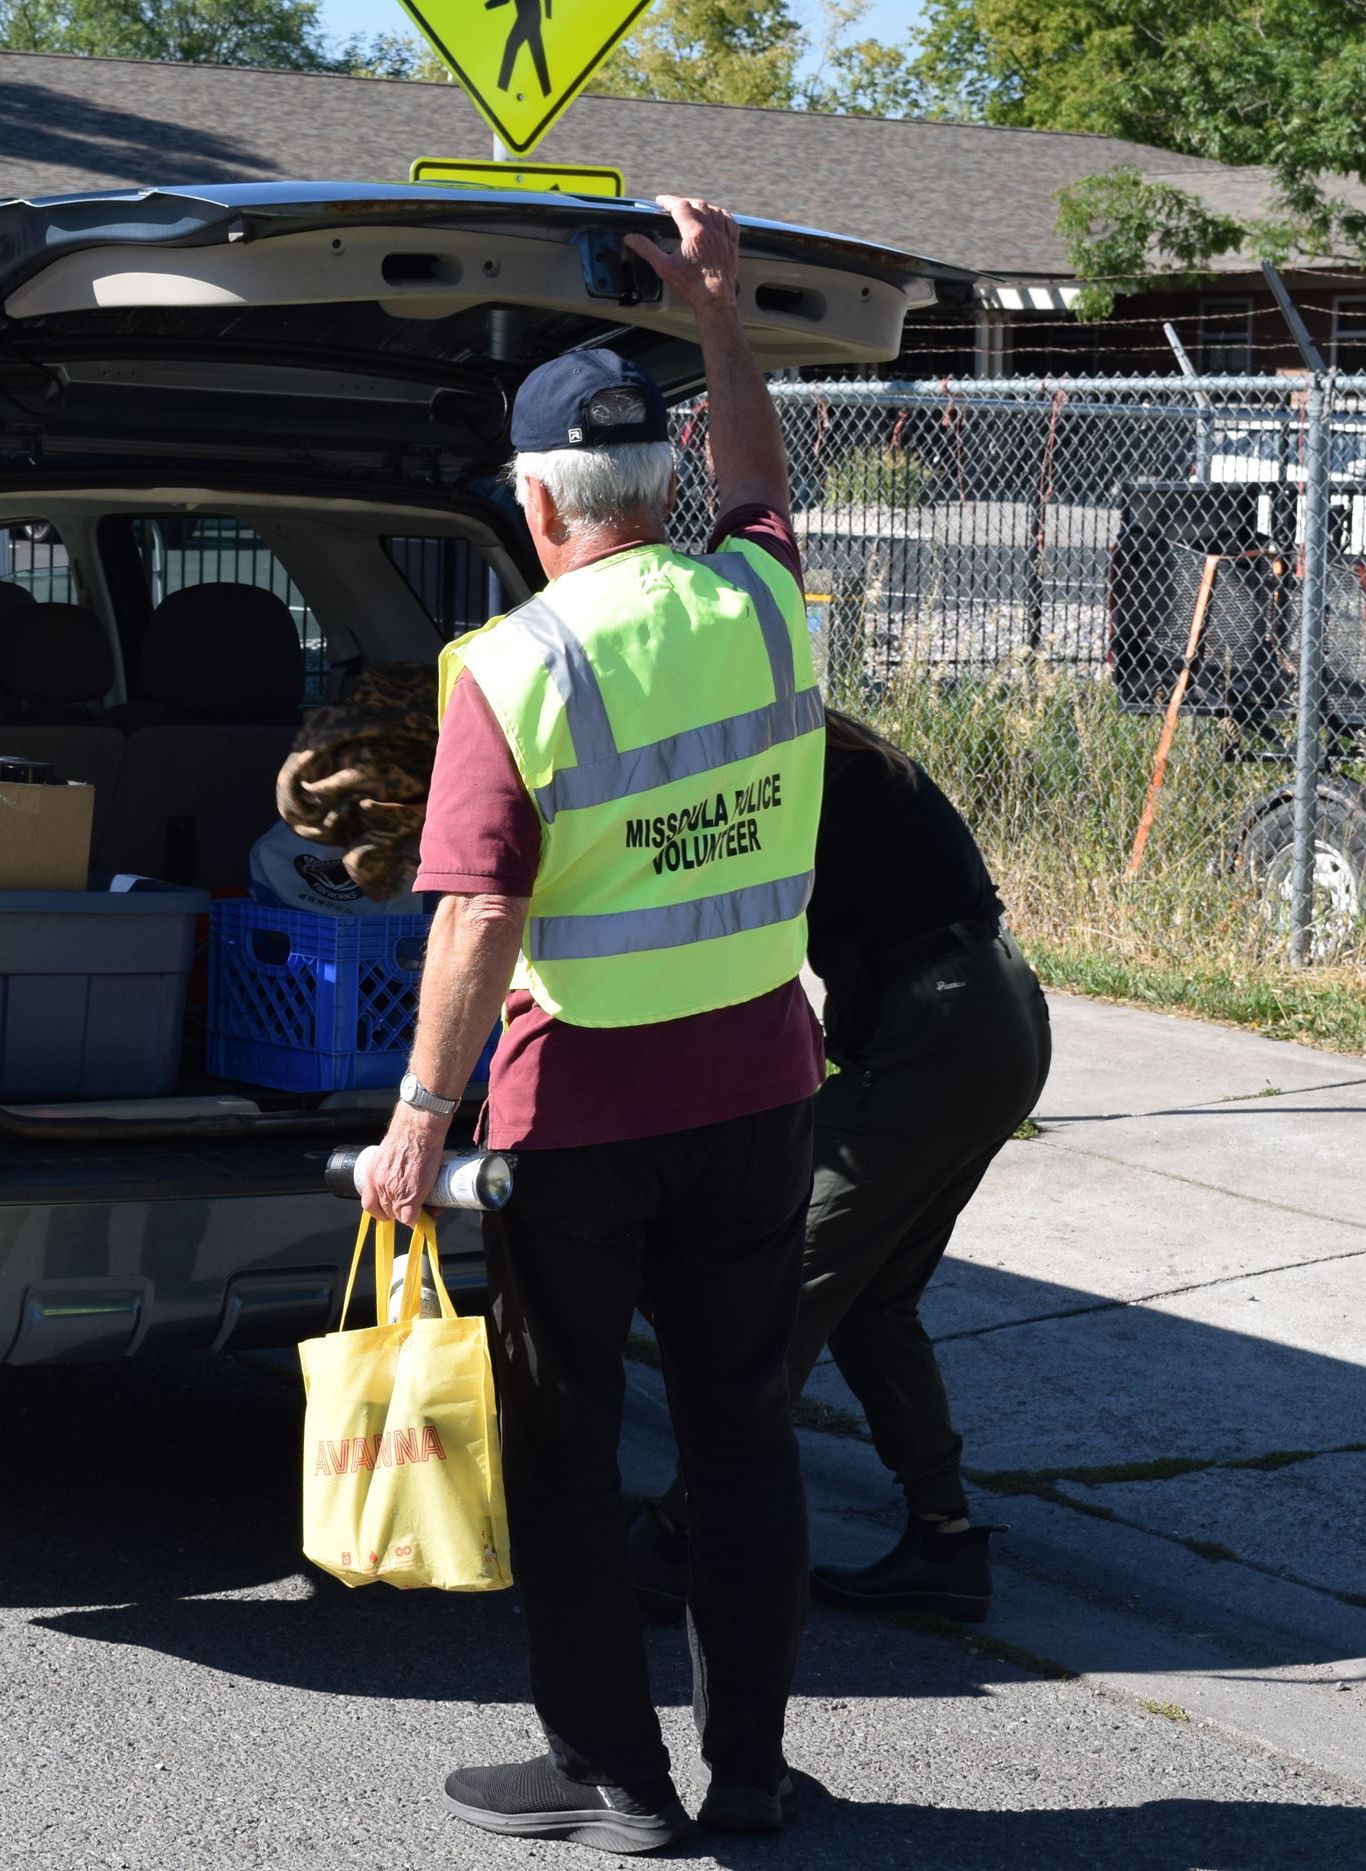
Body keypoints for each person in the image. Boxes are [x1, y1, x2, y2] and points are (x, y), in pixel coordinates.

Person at [360, 196, 827, 1854]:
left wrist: (421, 1111)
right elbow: (762, 476)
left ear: (538, 501)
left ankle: (616, 1779)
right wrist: (718, 311)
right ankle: (755, 1775)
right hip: (764, 1090)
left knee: (564, 1446)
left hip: (585, 1125)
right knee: (742, 1431)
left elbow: (479, 912)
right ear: (666, 485)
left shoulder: (511, 664)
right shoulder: (763, 601)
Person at [627, 711, 1052, 1621]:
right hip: (986, 1014)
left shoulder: (787, 767)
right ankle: (943, 1541)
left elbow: (734, 946)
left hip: (940, 1033)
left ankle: (685, 1538)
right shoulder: (819, 745)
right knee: (870, 1297)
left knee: (770, 1282)